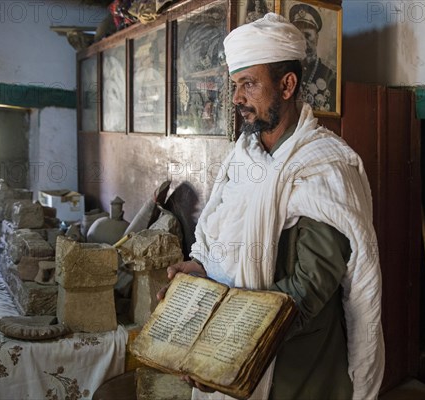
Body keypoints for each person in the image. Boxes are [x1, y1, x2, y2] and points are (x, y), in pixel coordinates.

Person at [158, 13, 384, 400]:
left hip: (297, 369)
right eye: (235, 85)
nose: (237, 99)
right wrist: (197, 270)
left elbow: (307, 287)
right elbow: (218, 246)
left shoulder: (324, 167)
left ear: (287, 85)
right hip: (231, 349)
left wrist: (221, 342)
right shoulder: (241, 158)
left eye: (248, 84)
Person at [289, 4, 337, 112]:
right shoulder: (284, 70)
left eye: (307, 35)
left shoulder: (330, 76)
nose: (303, 42)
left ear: (317, 38)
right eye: (298, 36)